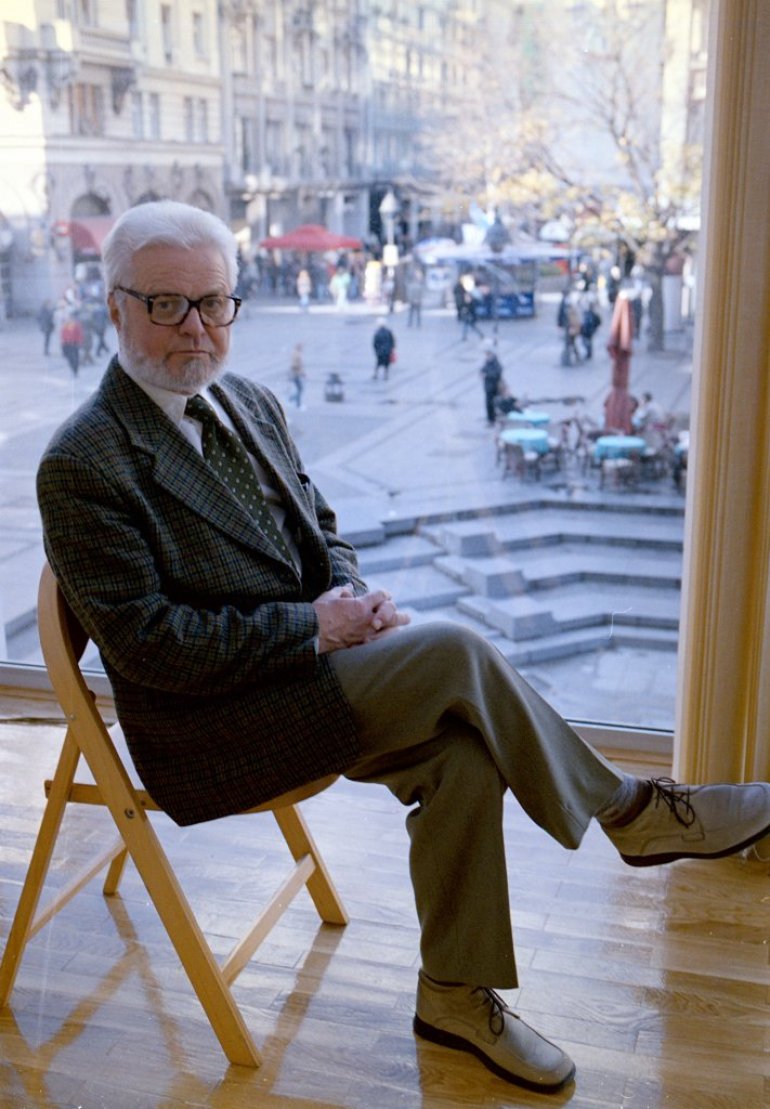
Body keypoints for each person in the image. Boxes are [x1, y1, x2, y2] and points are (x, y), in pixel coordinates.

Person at [37, 201, 770, 1097]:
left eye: (214, 301)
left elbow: (322, 529)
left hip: (307, 678)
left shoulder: (247, 400)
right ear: (115, 306)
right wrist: (318, 627)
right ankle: (633, 811)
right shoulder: (83, 461)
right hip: (214, 727)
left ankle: (454, 996)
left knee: (462, 752)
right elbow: (152, 648)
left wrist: (352, 598)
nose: (196, 325)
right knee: (453, 647)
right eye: (166, 304)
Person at [479, 342, 504, 426]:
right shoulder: (487, 361)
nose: (486, 356)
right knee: (488, 404)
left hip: (494, 387)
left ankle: (492, 420)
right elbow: (483, 369)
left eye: (488, 354)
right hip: (488, 387)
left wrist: (486, 375)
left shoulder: (495, 362)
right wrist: (481, 372)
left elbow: (497, 372)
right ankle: (490, 419)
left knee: (491, 404)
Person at [288, 341, 305, 408]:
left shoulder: (296, 354)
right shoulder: (297, 355)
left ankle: (294, 400)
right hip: (296, 375)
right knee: (300, 389)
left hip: (296, 374)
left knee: (299, 389)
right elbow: (295, 365)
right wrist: (302, 373)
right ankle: (295, 401)